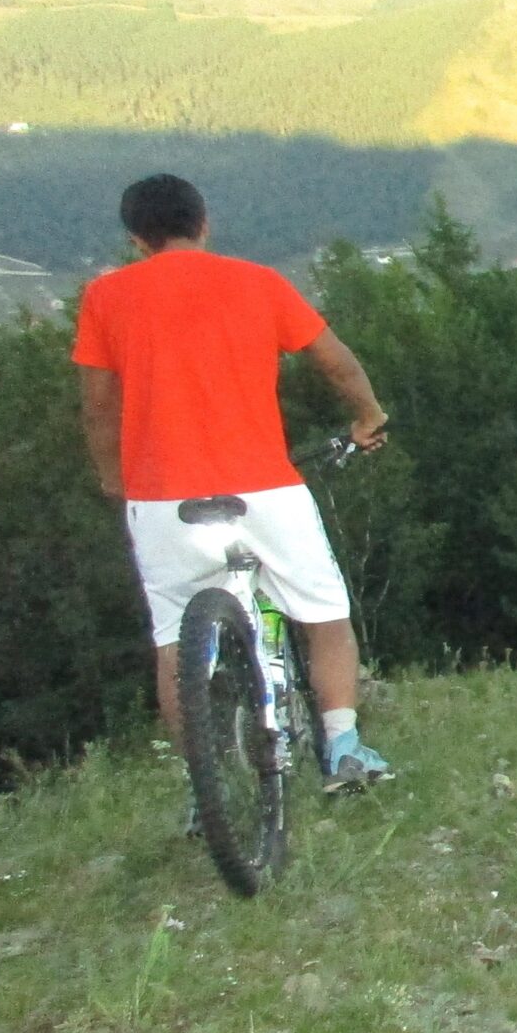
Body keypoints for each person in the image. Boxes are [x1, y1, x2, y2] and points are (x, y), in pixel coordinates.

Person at [72, 174, 397, 792]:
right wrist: (367, 416)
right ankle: (343, 746)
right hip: (265, 486)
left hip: (161, 496)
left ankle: (207, 785)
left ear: (138, 240)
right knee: (325, 614)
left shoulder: (105, 297)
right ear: (204, 223)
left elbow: (96, 405)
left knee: (174, 638)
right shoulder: (258, 282)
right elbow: (337, 362)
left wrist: (115, 479)